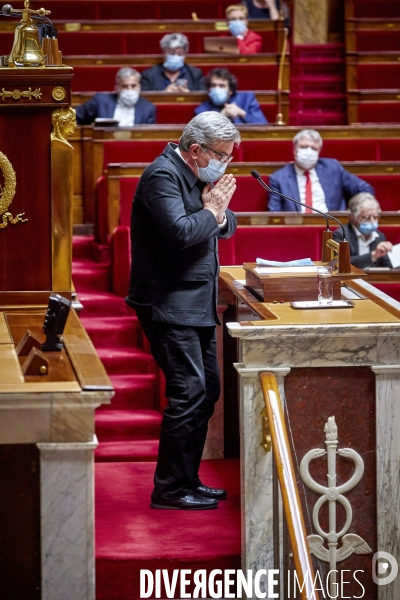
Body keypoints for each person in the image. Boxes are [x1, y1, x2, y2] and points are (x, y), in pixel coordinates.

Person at [125, 112, 240, 510]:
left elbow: (228, 225)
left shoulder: (197, 177)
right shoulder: (162, 177)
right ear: (196, 150)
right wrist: (212, 212)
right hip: (169, 303)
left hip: (197, 302)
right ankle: (170, 489)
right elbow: (181, 233)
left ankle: (187, 478)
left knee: (207, 391)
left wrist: (215, 212)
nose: (225, 164)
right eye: (222, 155)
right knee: (187, 392)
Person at [268, 129, 375, 212]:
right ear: (294, 149)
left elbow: (365, 189)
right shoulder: (279, 178)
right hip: (297, 229)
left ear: (319, 151)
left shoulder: (333, 168)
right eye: (304, 147)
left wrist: (353, 211)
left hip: (333, 227)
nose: (308, 152)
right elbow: (275, 213)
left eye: (314, 148)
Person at [75, 67, 156, 126]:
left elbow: (148, 136)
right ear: (116, 88)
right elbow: (73, 117)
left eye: (133, 86)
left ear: (139, 87)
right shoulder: (100, 101)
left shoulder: (148, 108)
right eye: (124, 86)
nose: (129, 89)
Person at [332, 193, 393, 269]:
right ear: (353, 217)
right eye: (366, 217)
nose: (372, 221)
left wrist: (393, 255)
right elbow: (340, 263)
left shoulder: (380, 236)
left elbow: (389, 266)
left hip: (373, 280)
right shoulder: (340, 235)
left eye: (375, 217)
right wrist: (373, 255)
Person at [195, 67, 267, 124]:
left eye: (222, 86)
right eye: (213, 85)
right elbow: (201, 134)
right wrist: (220, 116)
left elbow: (263, 124)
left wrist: (242, 113)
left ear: (230, 91)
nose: (217, 89)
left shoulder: (247, 99)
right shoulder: (202, 110)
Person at [140, 33, 205, 93]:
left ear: (185, 55)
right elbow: (144, 101)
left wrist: (188, 96)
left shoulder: (195, 74)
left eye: (180, 53)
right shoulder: (148, 75)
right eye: (171, 53)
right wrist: (163, 94)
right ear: (163, 53)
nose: (175, 56)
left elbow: (202, 99)